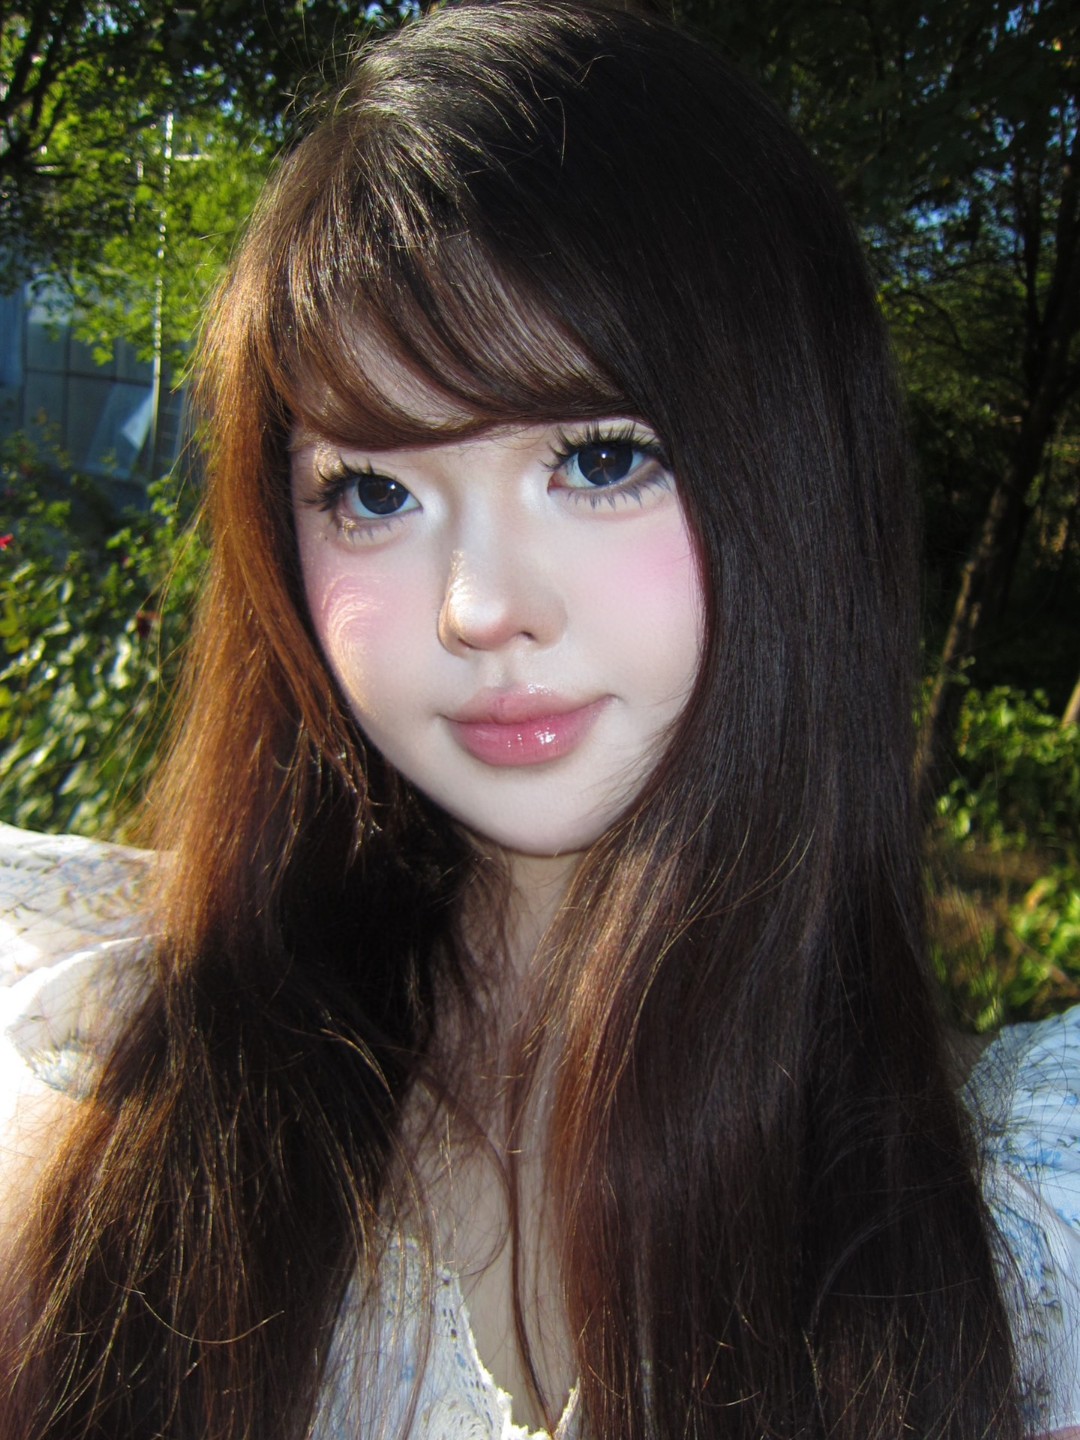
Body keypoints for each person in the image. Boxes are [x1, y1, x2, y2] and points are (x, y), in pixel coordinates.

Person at [1, 2, 1078, 1436]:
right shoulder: (113, 1096)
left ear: (801, 470)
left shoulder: (1019, 1256)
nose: (479, 607)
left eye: (603, 460)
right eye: (373, 491)